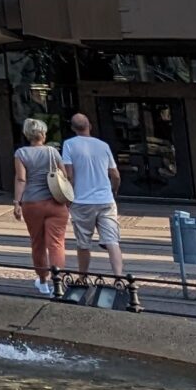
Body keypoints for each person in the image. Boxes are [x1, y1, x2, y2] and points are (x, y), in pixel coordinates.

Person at [58, 112, 127, 283]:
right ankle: (119, 277)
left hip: (81, 200)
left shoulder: (69, 144)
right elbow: (115, 174)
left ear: (73, 128)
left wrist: (68, 197)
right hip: (105, 199)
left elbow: (69, 174)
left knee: (83, 243)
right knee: (112, 240)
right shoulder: (103, 145)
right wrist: (114, 190)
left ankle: (82, 277)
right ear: (90, 126)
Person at [12, 117, 69, 297]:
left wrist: (16, 202)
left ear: (27, 135)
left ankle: (43, 282)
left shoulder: (21, 153)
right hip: (56, 202)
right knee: (57, 244)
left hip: (32, 203)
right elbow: (64, 175)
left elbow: (21, 179)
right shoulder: (53, 152)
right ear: (43, 134)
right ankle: (58, 284)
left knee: (38, 243)